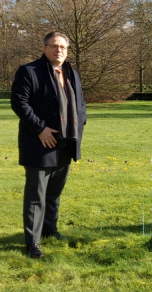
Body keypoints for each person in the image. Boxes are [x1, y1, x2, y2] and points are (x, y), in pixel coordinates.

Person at [11, 31, 86, 258]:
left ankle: (49, 230)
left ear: (67, 50)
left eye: (62, 47)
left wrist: (80, 123)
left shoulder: (72, 73)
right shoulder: (29, 71)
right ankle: (32, 243)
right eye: (54, 46)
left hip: (67, 141)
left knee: (54, 191)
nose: (58, 50)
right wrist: (40, 129)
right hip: (39, 143)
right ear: (44, 49)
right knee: (36, 194)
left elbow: (80, 103)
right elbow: (19, 103)